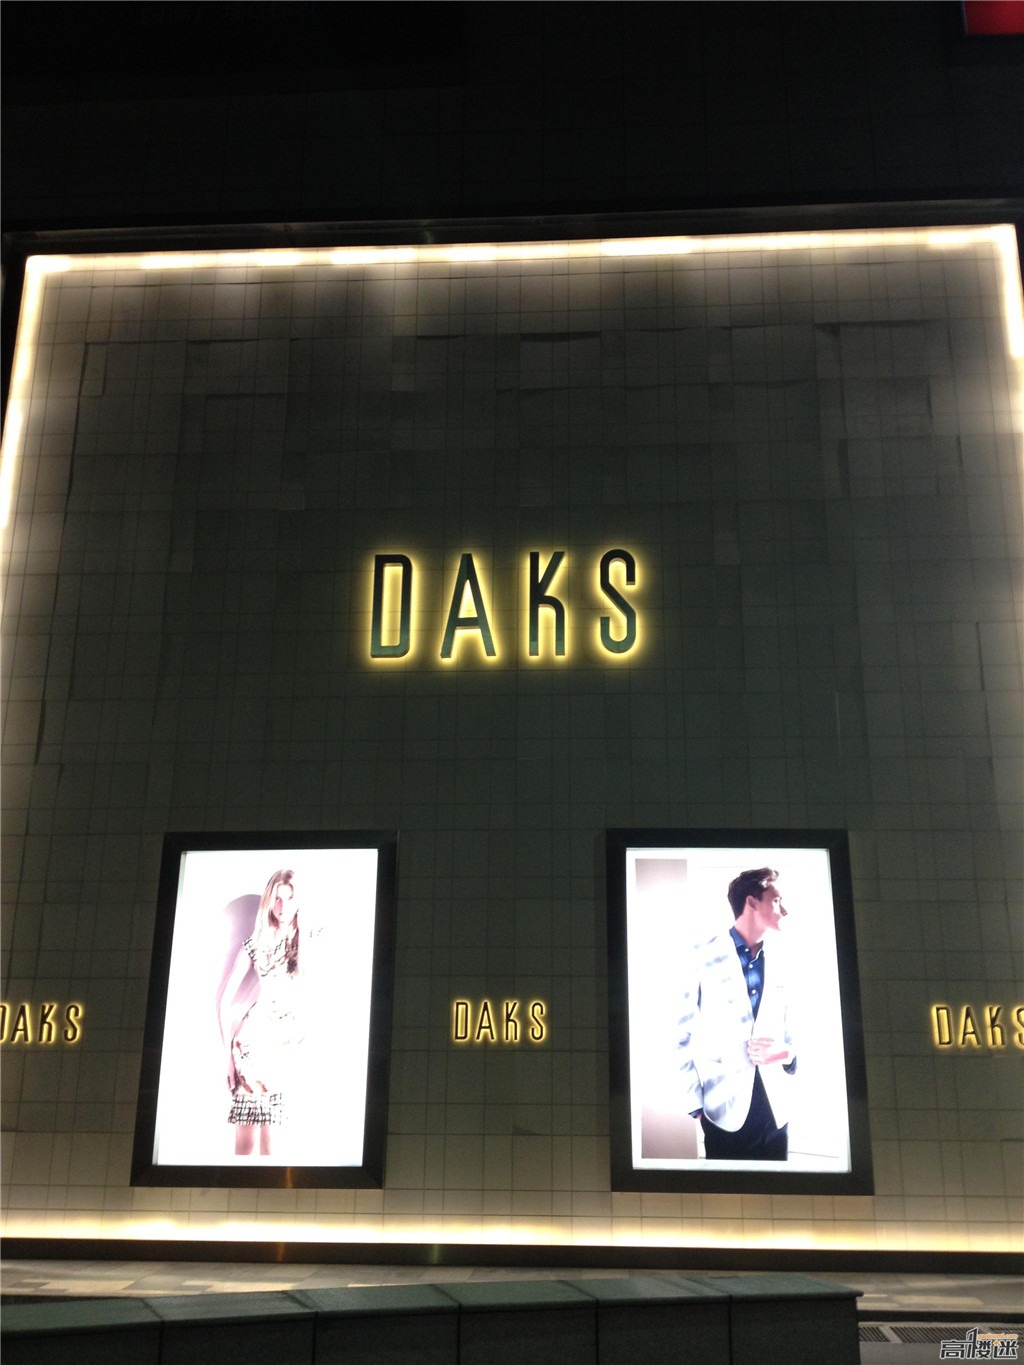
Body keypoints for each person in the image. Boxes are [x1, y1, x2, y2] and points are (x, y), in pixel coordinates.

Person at [676, 867, 797, 1160]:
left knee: (780, 1190)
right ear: (752, 902)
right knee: (724, 1190)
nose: (785, 910)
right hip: (723, 1110)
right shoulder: (701, 954)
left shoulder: (786, 958)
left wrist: (788, 1054)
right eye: (777, 901)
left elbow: (799, 1027)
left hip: (776, 1112)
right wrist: (694, 1103)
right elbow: (678, 1033)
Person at [217, 868, 301, 1156]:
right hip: (253, 1044)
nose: (283, 906)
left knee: (272, 1146)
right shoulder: (255, 944)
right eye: (277, 898)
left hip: (285, 1045)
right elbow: (224, 1000)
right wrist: (227, 1056)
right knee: (246, 1144)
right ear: (269, 900)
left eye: (289, 898)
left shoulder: (306, 940)